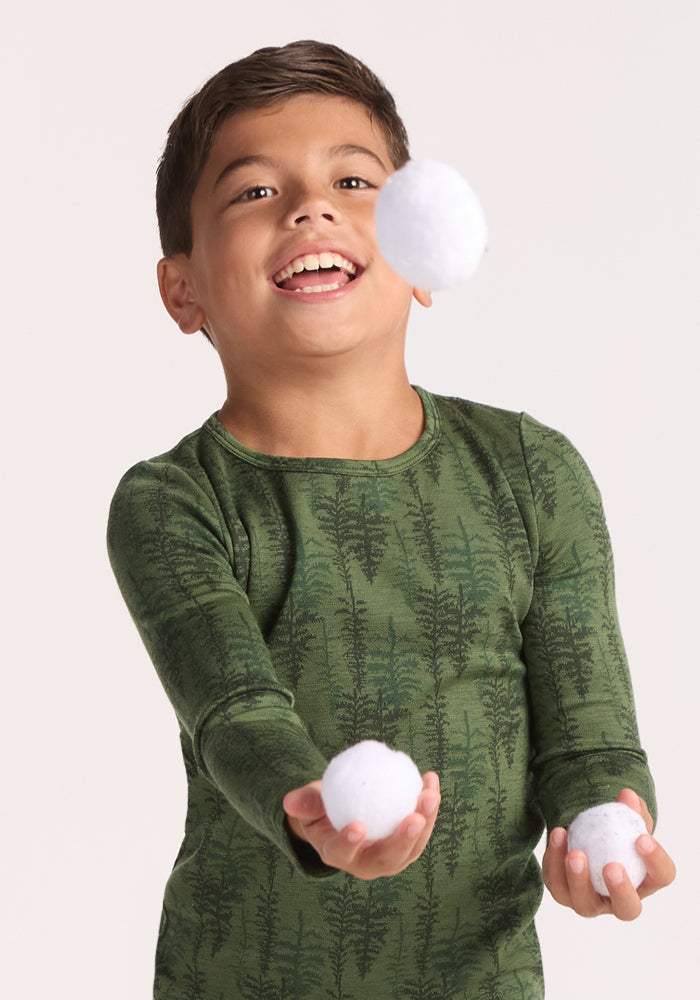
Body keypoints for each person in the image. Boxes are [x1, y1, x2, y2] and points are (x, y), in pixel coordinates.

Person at [107, 40, 675, 1000]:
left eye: (354, 179)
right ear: (183, 289)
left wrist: (600, 835)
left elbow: (589, 745)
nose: (310, 207)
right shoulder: (172, 502)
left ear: (421, 247)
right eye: (253, 193)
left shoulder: (535, 474)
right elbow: (236, 714)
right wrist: (316, 813)